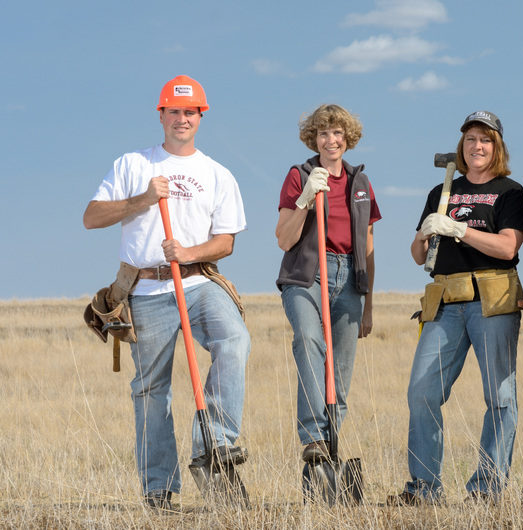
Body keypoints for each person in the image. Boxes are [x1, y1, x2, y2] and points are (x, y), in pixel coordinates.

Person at [83, 75, 250, 510]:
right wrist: (141, 200)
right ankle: (159, 488)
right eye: (174, 111)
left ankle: (213, 447)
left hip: (198, 282)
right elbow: (91, 217)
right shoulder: (132, 165)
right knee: (151, 389)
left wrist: (190, 250)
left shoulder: (217, 174)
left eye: (190, 111)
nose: (182, 118)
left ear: (201, 117)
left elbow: (226, 241)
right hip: (147, 290)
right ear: (161, 115)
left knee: (234, 341)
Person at [388, 111, 523, 504]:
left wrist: (460, 230)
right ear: (461, 148)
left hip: (493, 300)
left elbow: (507, 247)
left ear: (497, 146)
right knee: (422, 392)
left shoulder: (510, 192)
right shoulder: (442, 191)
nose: (477, 146)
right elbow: (419, 256)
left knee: (499, 398)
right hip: (446, 301)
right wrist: (426, 231)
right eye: (470, 139)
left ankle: (486, 489)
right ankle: (424, 488)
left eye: (485, 139)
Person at [275, 104, 381, 464]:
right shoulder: (298, 175)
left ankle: (329, 449)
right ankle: (313, 437)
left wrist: (368, 304)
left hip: (349, 278)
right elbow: (283, 239)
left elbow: (366, 245)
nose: (330, 139)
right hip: (306, 275)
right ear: (313, 139)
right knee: (308, 340)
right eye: (323, 133)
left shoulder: (361, 184)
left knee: (341, 371)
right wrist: (305, 199)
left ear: (347, 138)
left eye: (337, 133)